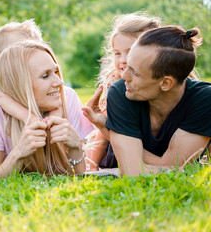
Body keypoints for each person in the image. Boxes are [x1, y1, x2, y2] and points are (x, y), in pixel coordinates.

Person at [84, 26, 211, 176]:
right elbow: (134, 172)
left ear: (165, 83)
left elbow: (173, 167)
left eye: (135, 72)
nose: (124, 76)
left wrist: (109, 131)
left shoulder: (204, 99)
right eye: (127, 67)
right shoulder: (121, 92)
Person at [0, 41, 93, 180]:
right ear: (20, 84)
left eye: (56, 72)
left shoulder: (68, 98)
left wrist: (76, 148)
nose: (59, 82)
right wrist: (18, 153)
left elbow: (78, 175)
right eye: (45, 76)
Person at [84, 13, 161, 171]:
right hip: (118, 144)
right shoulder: (115, 83)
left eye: (130, 51)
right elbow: (102, 130)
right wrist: (91, 167)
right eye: (117, 53)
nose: (123, 60)